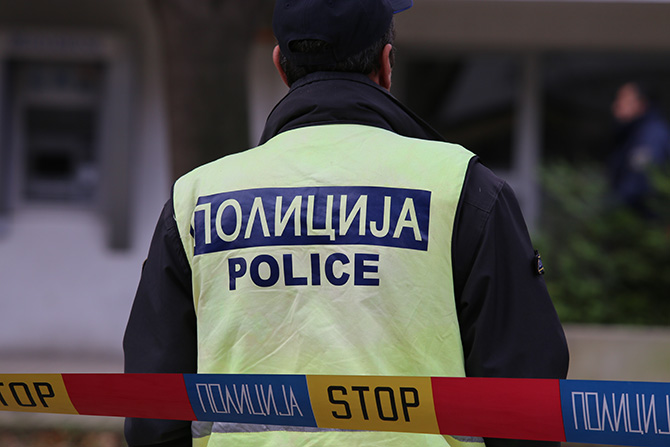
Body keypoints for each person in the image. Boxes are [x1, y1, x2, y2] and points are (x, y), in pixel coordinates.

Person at [123, 1, 569, 446]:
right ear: (386, 64)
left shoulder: (197, 198)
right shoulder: (462, 188)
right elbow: (525, 394)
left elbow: (152, 410)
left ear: (281, 65)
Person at [609, 81, 670, 217]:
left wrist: (611, 206)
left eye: (622, 100)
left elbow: (640, 182)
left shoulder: (651, 135)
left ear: (641, 104)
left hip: (644, 220)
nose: (616, 105)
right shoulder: (634, 133)